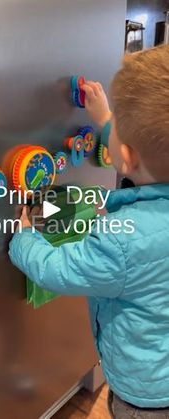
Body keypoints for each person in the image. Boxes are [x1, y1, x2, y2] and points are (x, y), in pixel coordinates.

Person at [9, 45, 169, 418]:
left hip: (143, 396)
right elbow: (145, 148)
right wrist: (107, 120)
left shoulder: (121, 240)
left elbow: (58, 270)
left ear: (125, 157)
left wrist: (24, 237)